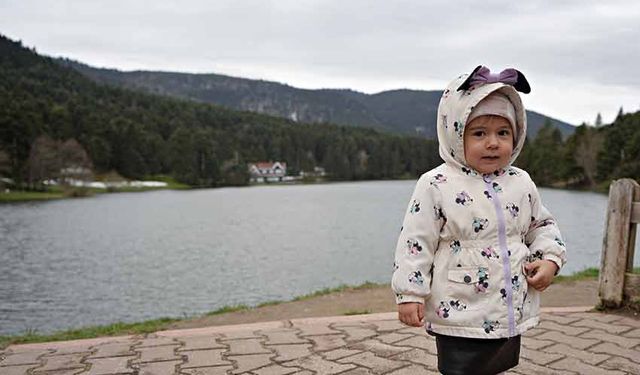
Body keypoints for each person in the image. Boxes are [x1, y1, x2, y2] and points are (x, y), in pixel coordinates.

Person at [391, 65, 567, 375]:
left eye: (503, 133)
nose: (493, 143)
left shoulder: (521, 181)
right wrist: (410, 293)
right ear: (456, 134)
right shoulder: (437, 184)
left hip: (508, 306)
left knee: (496, 365)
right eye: (479, 133)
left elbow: (542, 226)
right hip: (459, 307)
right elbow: (415, 241)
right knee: (461, 369)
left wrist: (550, 259)